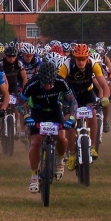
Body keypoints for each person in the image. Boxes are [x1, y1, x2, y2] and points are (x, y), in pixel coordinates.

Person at [23, 60, 77, 193]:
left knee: (61, 137)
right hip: (37, 112)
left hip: (55, 111)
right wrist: (26, 116)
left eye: (50, 83)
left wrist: (71, 117)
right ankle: (34, 176)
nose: (48, 86)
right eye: (44, 83)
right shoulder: (32, 83)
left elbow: (73, 101)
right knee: (35, 142)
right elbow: (19, 102)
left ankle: (60, 160)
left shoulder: (60, 81)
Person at [59, 43, 109, 170]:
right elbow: (58, 84)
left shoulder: (93, 64)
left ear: (88, 58)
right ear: (74, 57)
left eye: (83, 59)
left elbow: (104, 86)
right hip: (70, 95)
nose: (81, 62)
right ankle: (71, 154)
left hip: (87, 93)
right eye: (78, 59)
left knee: (92, 115)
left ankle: (92, 147)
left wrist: (105, 98)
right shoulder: (66, 65)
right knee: (69, 123)